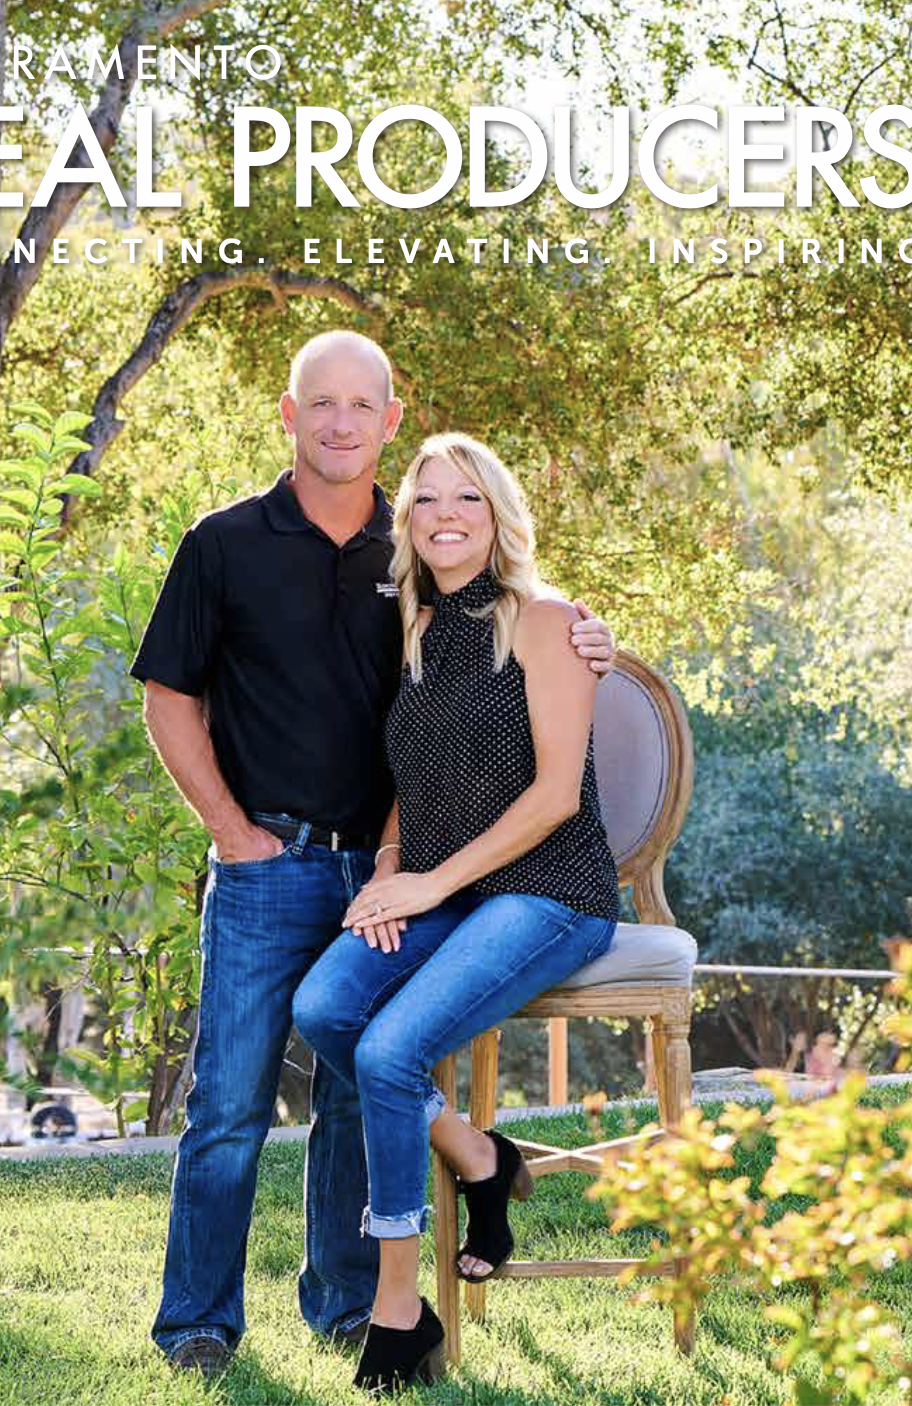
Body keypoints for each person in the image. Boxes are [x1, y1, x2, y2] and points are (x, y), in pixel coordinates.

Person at [128, 331, 616, 1378]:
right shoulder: (225, 544)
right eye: (322, 403)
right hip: (275, 863)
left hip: (402, 872)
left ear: (388, 419)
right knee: (226, 1106)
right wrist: (233, 835)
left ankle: (353, 1303)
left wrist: (589, 633)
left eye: (363, 405)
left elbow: (520, 629)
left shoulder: (413, 556)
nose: (342, 422)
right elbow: (169, 698)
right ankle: (197, 1323)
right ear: (289, 413)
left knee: (360, 1082)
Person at [292, 432, 624, 1394]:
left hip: (550, 892)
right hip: (443, 886)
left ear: (499, 517)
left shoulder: (546, 619)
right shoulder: (415, 628)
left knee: (390, 1054)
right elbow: (414, 775)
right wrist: (394, 865)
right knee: (324, 1010)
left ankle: (400, 1311)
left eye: (466, 500)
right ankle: (480, 1156)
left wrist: (429, 887)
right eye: (427, 501)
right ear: (409, 524)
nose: (444, 515)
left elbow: (557, 795)